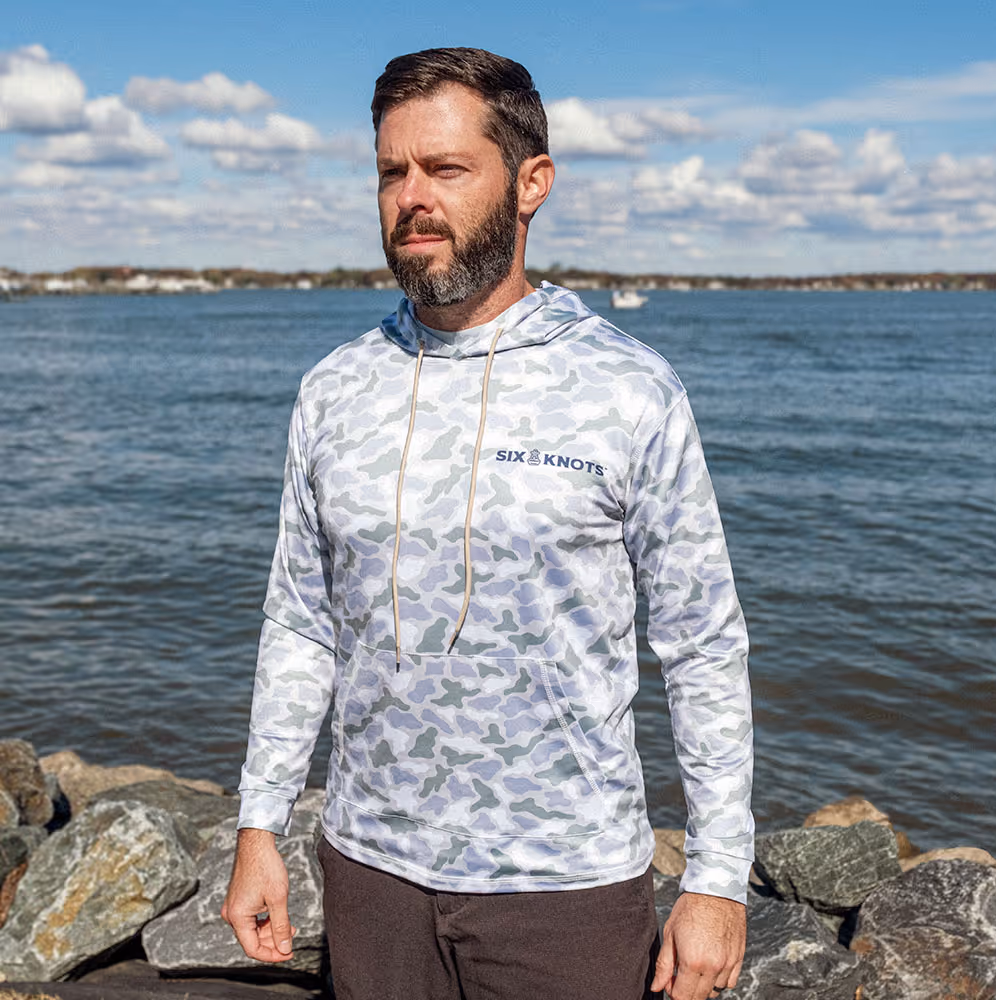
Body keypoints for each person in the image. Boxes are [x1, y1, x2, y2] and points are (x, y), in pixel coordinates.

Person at [222, 47, 753, 1000]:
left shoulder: (629, 389)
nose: (412, 197)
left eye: (447, 169)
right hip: (369, 870)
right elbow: (301, 623)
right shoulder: (335, 390)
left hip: (567, 888)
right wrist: (260, 824)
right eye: (392, 172)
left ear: (532, 183)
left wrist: (715, 878)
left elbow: (702, 643)